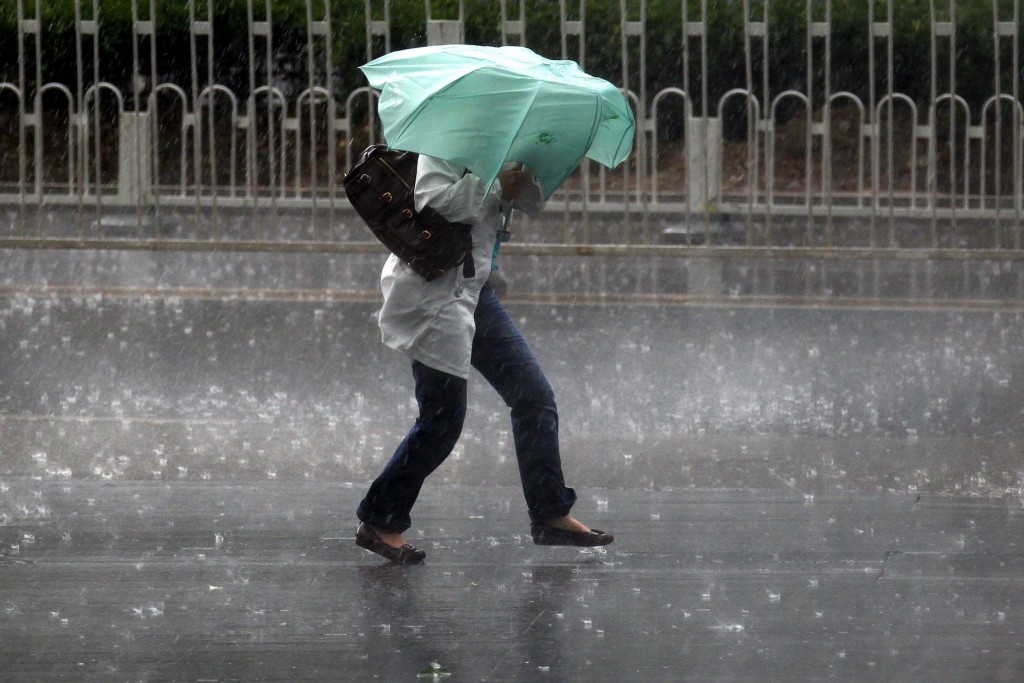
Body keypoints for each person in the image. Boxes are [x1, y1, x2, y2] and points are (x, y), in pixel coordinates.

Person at [355, 154, 613, 564]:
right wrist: (494, 187)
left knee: (533, 396)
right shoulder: (444, 139)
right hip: (435, 291)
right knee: (441, 421)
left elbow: (527, 204)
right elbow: (430, 200)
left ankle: (550, 513)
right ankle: (380, 519)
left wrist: (524, 179)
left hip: (475, 292)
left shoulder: (504, 139)